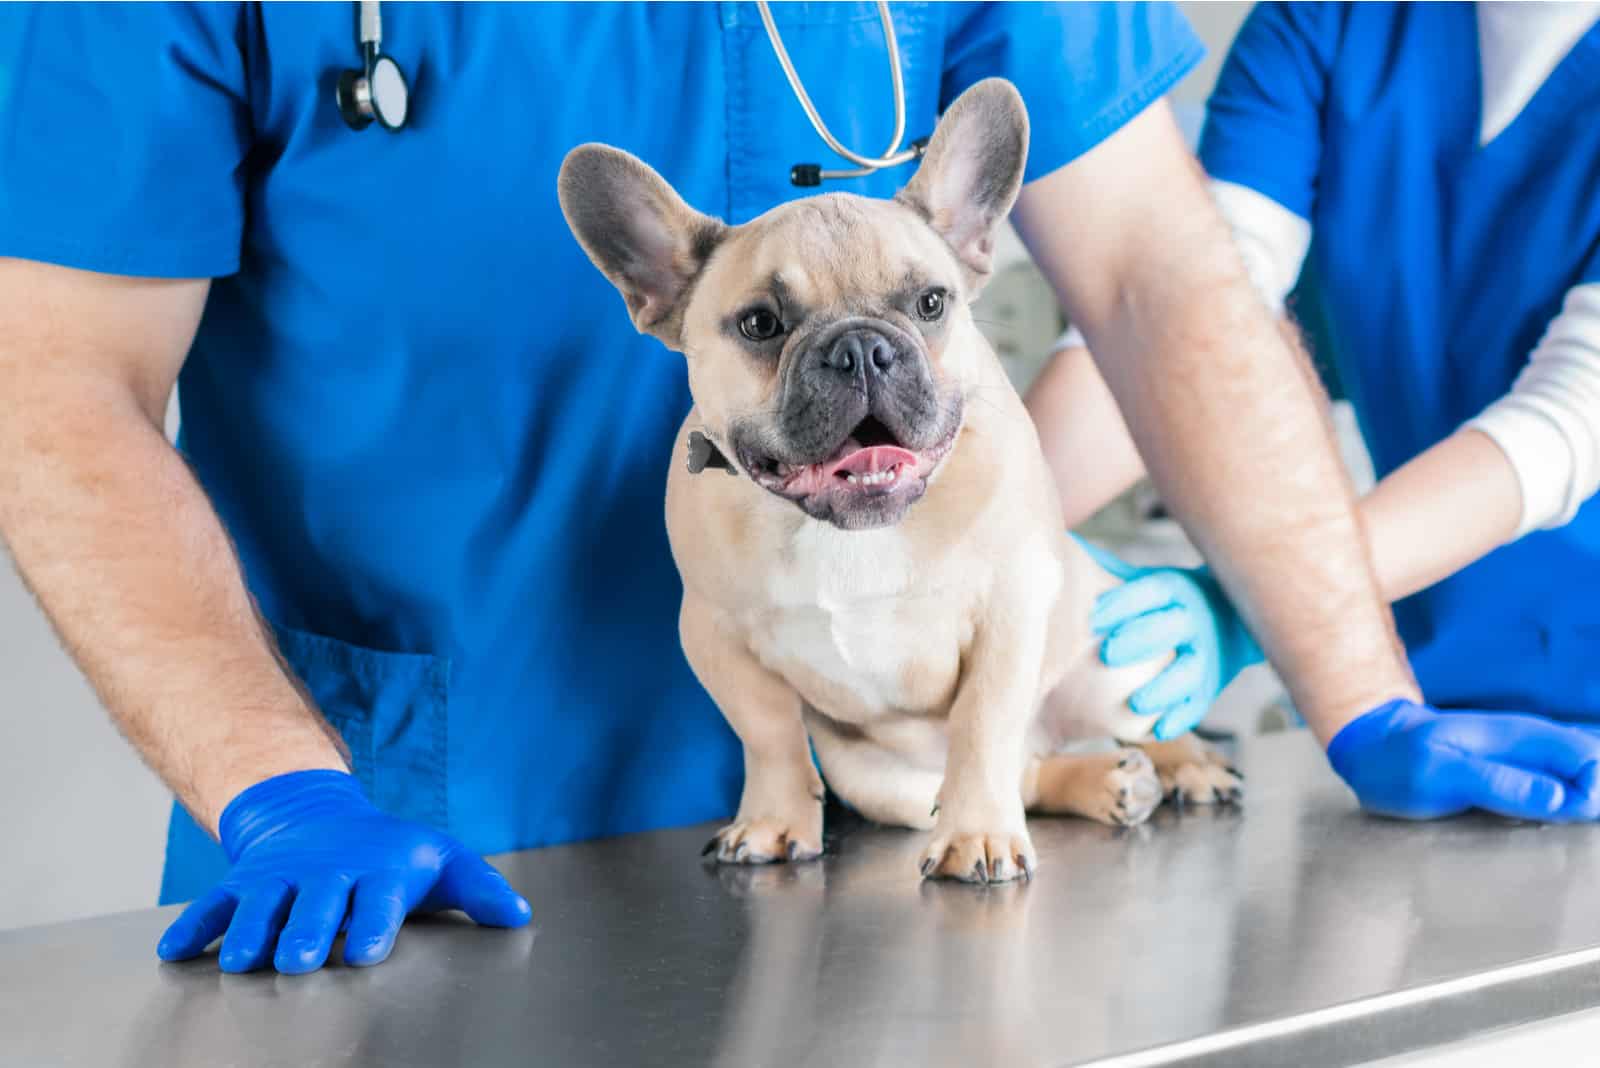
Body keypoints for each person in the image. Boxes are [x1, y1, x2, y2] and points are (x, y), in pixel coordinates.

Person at [0, 2, 1443, 976]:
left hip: (920, 841)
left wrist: (1362, 688)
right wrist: (276, 792)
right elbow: (54, 377)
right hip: (414, 833)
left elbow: (1157, 274)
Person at [1030, 2, 1600, 819]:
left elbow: (1567, 424)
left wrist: (1249, 606)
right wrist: (951, 539)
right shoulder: (1330, 21)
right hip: (1410, 681)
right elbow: (1165, 310)